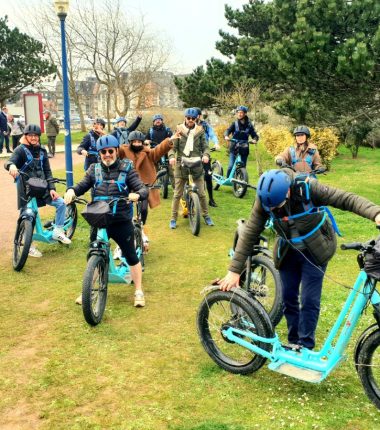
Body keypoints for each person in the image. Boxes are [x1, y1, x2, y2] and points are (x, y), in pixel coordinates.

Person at [219, 168, 380, 350]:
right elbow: (250, 232)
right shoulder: (266, 199)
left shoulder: (309, 188)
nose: (271, 210)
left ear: (288, 191)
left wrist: (376, 213)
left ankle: (305, 345)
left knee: (309, 299)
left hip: (316, 249)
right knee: (288, 297)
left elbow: (346, 199)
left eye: (276, 206)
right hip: (288, 250)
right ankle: (294, 341)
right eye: (269, 207)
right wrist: (234, 271)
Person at [64, 135, 148, 307]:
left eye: (110, 151)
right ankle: (88, 289)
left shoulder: (127, 168)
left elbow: (141, 187)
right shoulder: (93, 169)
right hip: (99, 219)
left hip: (120, 221)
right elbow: (82, 185)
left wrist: (138, 194)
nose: (107, 154)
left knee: (131, 255)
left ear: (116, 151)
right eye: (103, 152)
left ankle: (138, 290)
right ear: (99, 153)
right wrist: (71, 191)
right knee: (94, 254)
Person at [4, 124, 71, 258]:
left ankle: (58, 230)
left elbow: (47, 170)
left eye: (36, 136)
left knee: (61, 203)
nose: (34, 138)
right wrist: (11, 166)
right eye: (31, 135)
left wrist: (52, 188)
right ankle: (28, 245)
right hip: (26, 188)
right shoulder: (20, 150)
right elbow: (9, 162)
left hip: (42, 186)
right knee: (29, 215)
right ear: (26, 136)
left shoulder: (42, 150)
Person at [118, 129, 178, 226]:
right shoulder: (123, 150)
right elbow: (113, 149)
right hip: (126, 184)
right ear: (130, 142)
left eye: (139, 142)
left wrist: (170, 140)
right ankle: (128, 226)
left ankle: (141, 227)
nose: (137, 144)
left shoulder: (148, 153)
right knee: (125, 208)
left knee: (144, 210)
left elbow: (159, 150)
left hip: (143, 185)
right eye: (134, 142)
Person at [168, 108, 214, 229]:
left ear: (196, 119)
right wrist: (172, 157)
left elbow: (206, 147)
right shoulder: (178, 130)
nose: (190, 120)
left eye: (193, 119)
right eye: (188, 118)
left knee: (202, 194)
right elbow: (172, 147)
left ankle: (206, 215)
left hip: (196, 165)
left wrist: (205, 155)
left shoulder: (200, 131)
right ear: (185, 118)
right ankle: (173, 218)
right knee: (177, 194)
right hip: (181, 165)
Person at [193, 107, 220, 207]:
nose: (193, 118)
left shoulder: (205, 125)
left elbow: (212, 135)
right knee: (193, 177)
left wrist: (216, 143)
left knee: (208, 177)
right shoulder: (189, 125)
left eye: (195, 116)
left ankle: (211, 199)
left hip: (205, 154)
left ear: (199, 116)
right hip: (193, 154)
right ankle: (194, 199)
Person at [224, 105, 259, 177]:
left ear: (245, 114)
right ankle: (228, 179)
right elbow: (228, 130)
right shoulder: (235, 124)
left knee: (243, 166)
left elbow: (255, 135)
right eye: (238, 112)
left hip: (244, 148)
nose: (239, 114)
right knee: (231, 166)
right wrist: (226, 136)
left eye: (241, 113)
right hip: (234, 147)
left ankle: (241, 182)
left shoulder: (249, 125)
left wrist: (255, 139)